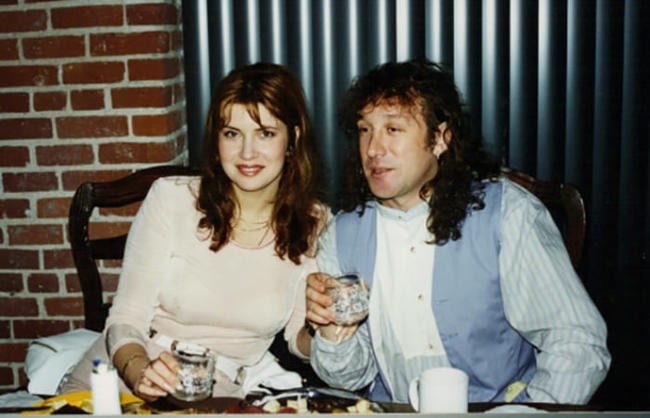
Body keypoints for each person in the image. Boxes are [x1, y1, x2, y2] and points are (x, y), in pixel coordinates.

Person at [305, 60, 611, 405]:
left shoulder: (506, 214)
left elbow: (577, 343)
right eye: (365, 130)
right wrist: (332, 332)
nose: (373, 149)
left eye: (393, 129)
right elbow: (349, 378)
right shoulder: (343, 234)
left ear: (440, 139)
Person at [61, 62, 327, 401]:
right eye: (232, 133)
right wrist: (140, 371)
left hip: (216, 390)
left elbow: (299, 341)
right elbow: (127, 316)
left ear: (293, 139)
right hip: (126, 372)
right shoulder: (172, 199)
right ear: (216, 140)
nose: (247, 152)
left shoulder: (315, 222)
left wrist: (325, 326)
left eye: (265, 133)